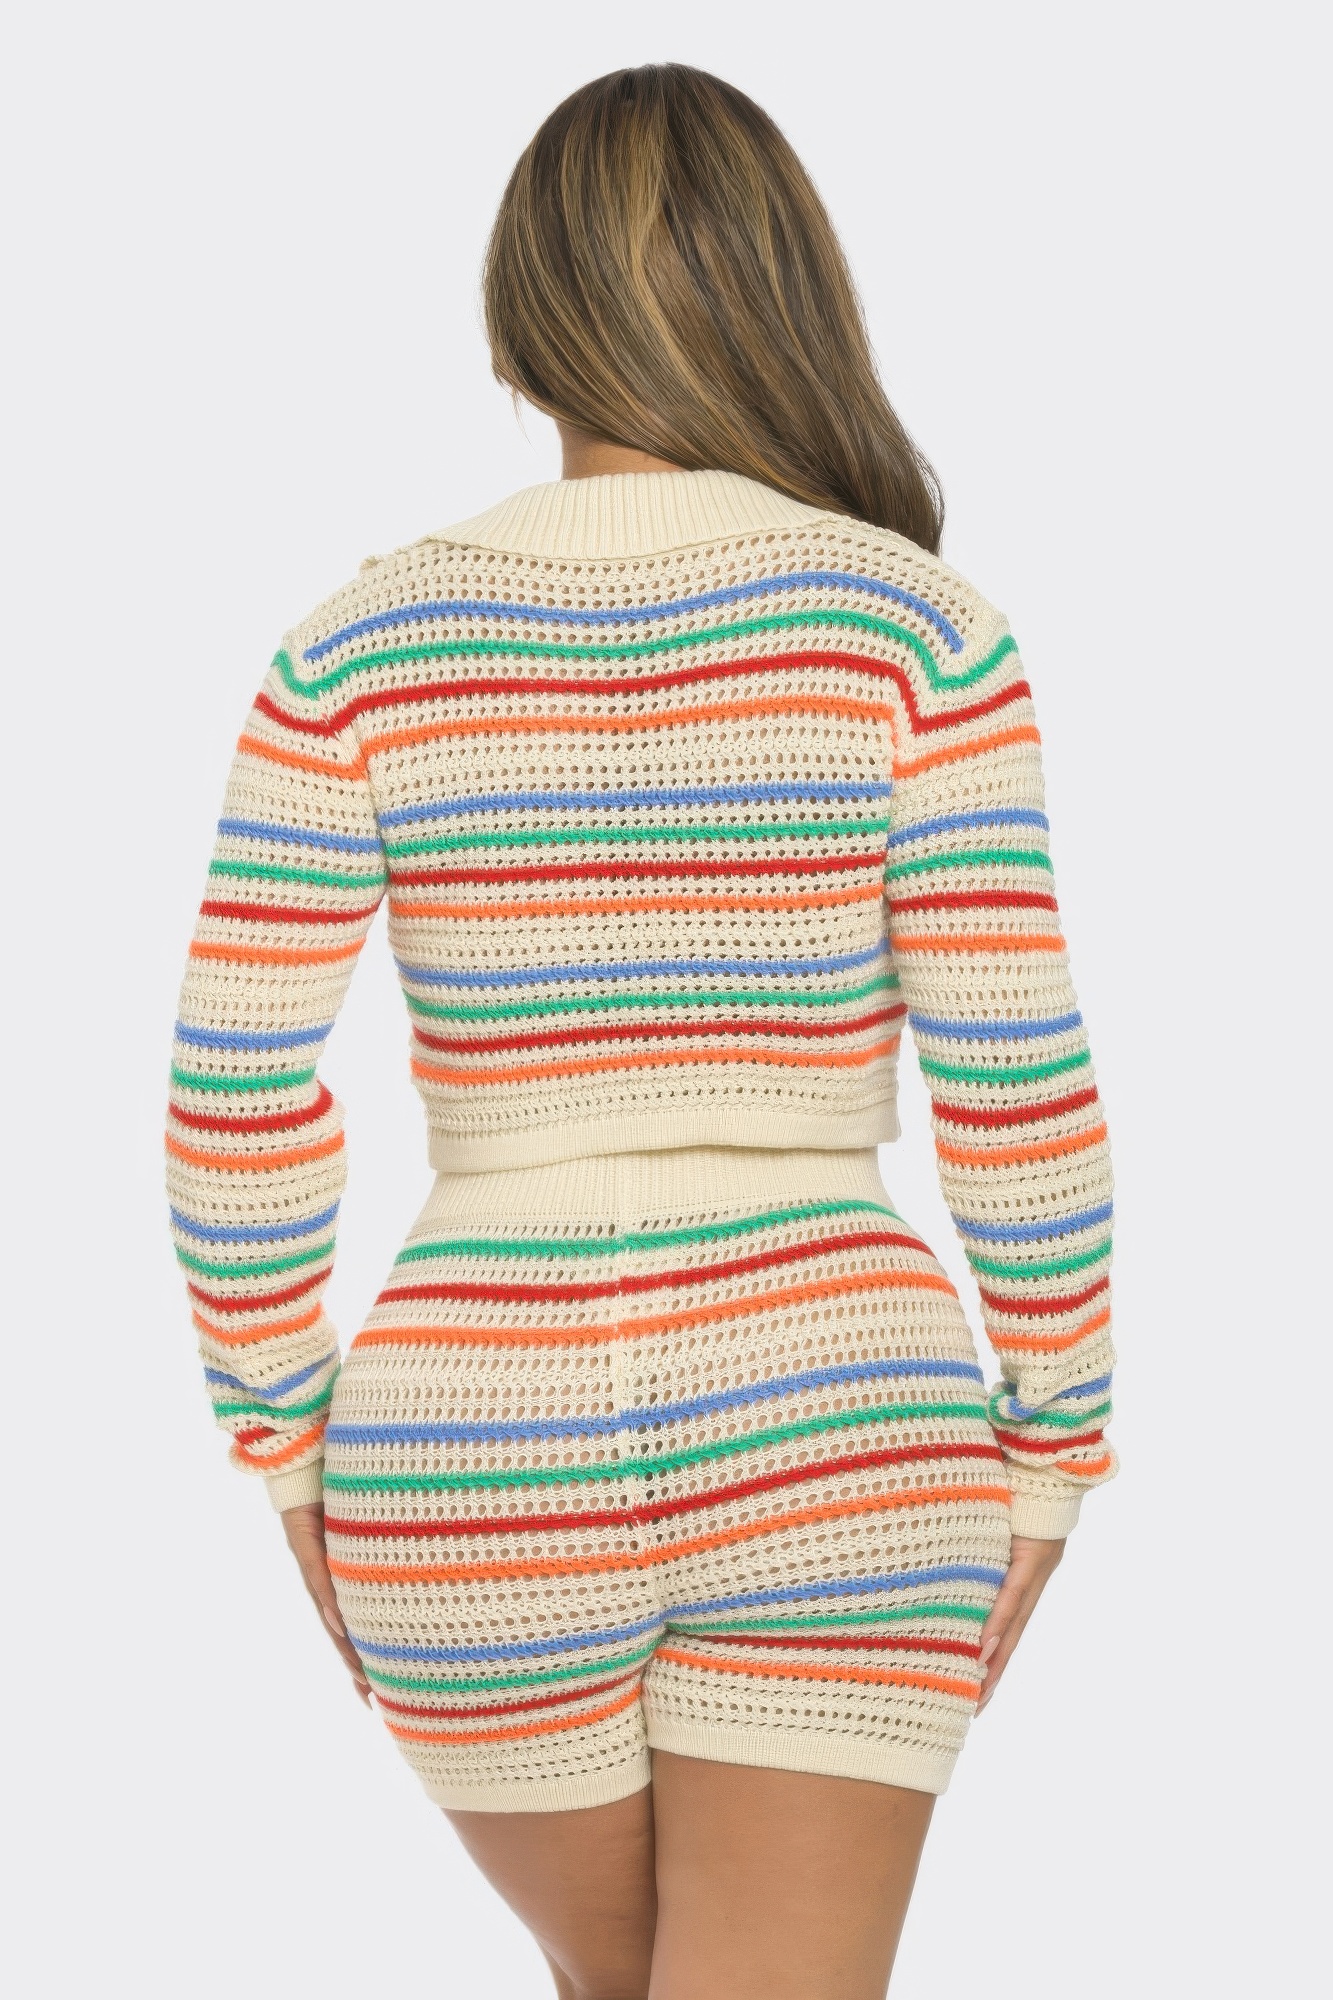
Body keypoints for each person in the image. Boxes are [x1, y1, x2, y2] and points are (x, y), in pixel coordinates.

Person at [165, 63, 1116, 2000]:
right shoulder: (914, 629)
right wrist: (1055, 1445)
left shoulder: (358, 643)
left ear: (521, 315)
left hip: (468, 1420)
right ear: (788, 286)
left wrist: (290, 1451)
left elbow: (232, 1090)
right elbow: (1012, 1077)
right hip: (830, 1393)